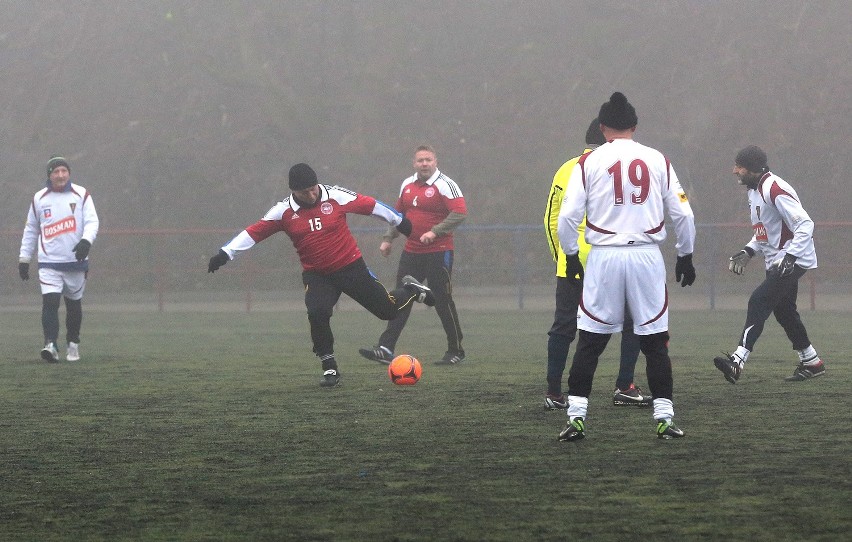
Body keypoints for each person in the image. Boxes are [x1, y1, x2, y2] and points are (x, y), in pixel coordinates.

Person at [207, 163, 435, 387]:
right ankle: (330, 367)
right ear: (293, 192)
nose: (311, 194)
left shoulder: (334, 195)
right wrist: (225, 253)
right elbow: (255, 232)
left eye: (313, 188)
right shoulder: (283, 211)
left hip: (351, 267)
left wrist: (399, 221)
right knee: (317, 312)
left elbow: (370, 205)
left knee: (388, 312)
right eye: (304, 192)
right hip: (318, 275)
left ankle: (410, 290)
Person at [556, 92, 696, 441]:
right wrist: (685, 255)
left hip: (604, 257)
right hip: (647, 256)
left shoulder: (587, 163)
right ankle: (664, 418)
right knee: (655, 341)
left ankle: (576, 418)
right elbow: (683, 213)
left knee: (590, 340)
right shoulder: (658, 160)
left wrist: (572, 255)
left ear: (603, 128)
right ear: (634, 126)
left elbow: (568, 217)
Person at [544, 118, 647, 410]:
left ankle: (553, 393)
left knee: (564, 326)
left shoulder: (568, 168)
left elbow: (552, 219)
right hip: (615, 259)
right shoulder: (626, 169)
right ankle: (624, 386)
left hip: (574, 261)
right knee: (633, 322)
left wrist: (562, 256)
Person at [713, 146, 824, 383]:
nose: (735, 171)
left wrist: (791, 257)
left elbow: (805, 225)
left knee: (759, 300)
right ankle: (812, 361)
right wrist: (748, 250)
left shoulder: (774, 188)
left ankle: (737, 361)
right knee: (784, 312)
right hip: (778, 259)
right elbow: (765, 231)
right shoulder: (755, 191)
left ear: (753, 168)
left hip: (792, 258)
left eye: (739, 166)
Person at [358, 145, 467, 366]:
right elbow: (399, 216)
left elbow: (460, 213)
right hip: (412, 253)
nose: (424, 164)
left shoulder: (446, 185)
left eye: (428, 160)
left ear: (435, 161)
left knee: (442, 300)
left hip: (439, 252)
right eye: (420, 160)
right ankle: (386, 348)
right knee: (400, 297)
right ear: (414, 163)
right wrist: (389, 238)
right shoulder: (407, 185)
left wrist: (434, 231)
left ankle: (456, 350)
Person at [19, 156, 100, 362]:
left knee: (73, 305)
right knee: (50, 302)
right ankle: (51, 345)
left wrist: (85, 242)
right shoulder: (39, 198)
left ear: (69, 173)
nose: (60, 175)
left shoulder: (81, 195)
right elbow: (31, 229)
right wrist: (24, 258)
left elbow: (92, 222)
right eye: (56, 171)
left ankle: (73, 343)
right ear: (50, 175)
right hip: (49, 263)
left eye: (64, 171)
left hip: (75, 262)